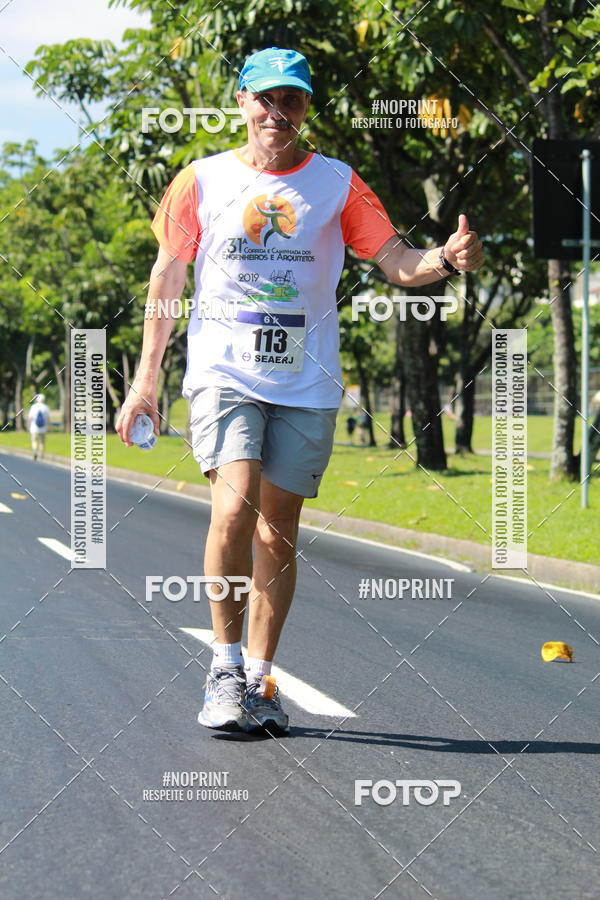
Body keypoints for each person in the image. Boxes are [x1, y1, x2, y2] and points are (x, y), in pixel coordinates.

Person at [116, 47, 484, 735]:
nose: (276, 113)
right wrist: (146, 379)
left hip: (306, 381)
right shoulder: (200, 181)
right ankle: (223, 669)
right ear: (241, 101)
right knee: (233, 506)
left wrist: (443, 260)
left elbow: (395, 261)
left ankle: (259, 678)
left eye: (292, 101)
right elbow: (167, 278)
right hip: (224, 372)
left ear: (307, 108)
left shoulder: (338, 185)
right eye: (265, 99)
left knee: (277, 530)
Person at [27, 393, 50, 461]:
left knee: (34, 440)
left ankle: (35, 451)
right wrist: (49, 427)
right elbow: (48, 419)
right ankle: (41, 453)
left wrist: (28, 426)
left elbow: (30, 418)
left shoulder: (33, 407)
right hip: (43, 427)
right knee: (42, 441)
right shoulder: (46, 407)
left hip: (34, 427)